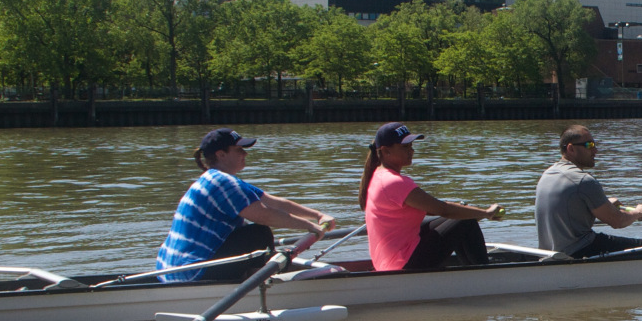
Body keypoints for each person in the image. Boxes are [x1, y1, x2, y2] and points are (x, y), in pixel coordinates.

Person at [155, 128, 334, 282]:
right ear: (221, 154)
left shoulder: (218, 179)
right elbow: (265, 215)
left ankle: (256, 272)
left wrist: (318, 216)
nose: (245, 154)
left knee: (253, 234)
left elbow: (274, 202)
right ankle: (262, 282)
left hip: (169, 270)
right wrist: (310, 227)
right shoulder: (222, 183)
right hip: (191, 273)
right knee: (258, 233)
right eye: (239, 150)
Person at [360, 122, 504, 272]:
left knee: (456, 218)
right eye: (405, 147)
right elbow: (443, 209)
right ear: (385, 151)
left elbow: (435, 210)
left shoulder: (377, 176)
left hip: (388, 262)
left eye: (411, 146)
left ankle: (474, 273)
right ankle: (485, 276)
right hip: (402, 265)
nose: (411, 151)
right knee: (465, 222)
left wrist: (469, 211)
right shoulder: (393, 182)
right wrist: (487, 213)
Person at [535, 125, 642, 259]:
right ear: (571, 148)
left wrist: (605, 204)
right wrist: (638, 212)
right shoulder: (584, 180)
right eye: (589, 145)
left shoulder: (548, 174)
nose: (595, 150)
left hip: (549, 252)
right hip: (578, 251)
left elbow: (571, 209)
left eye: (594, 144)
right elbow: (618, 221)